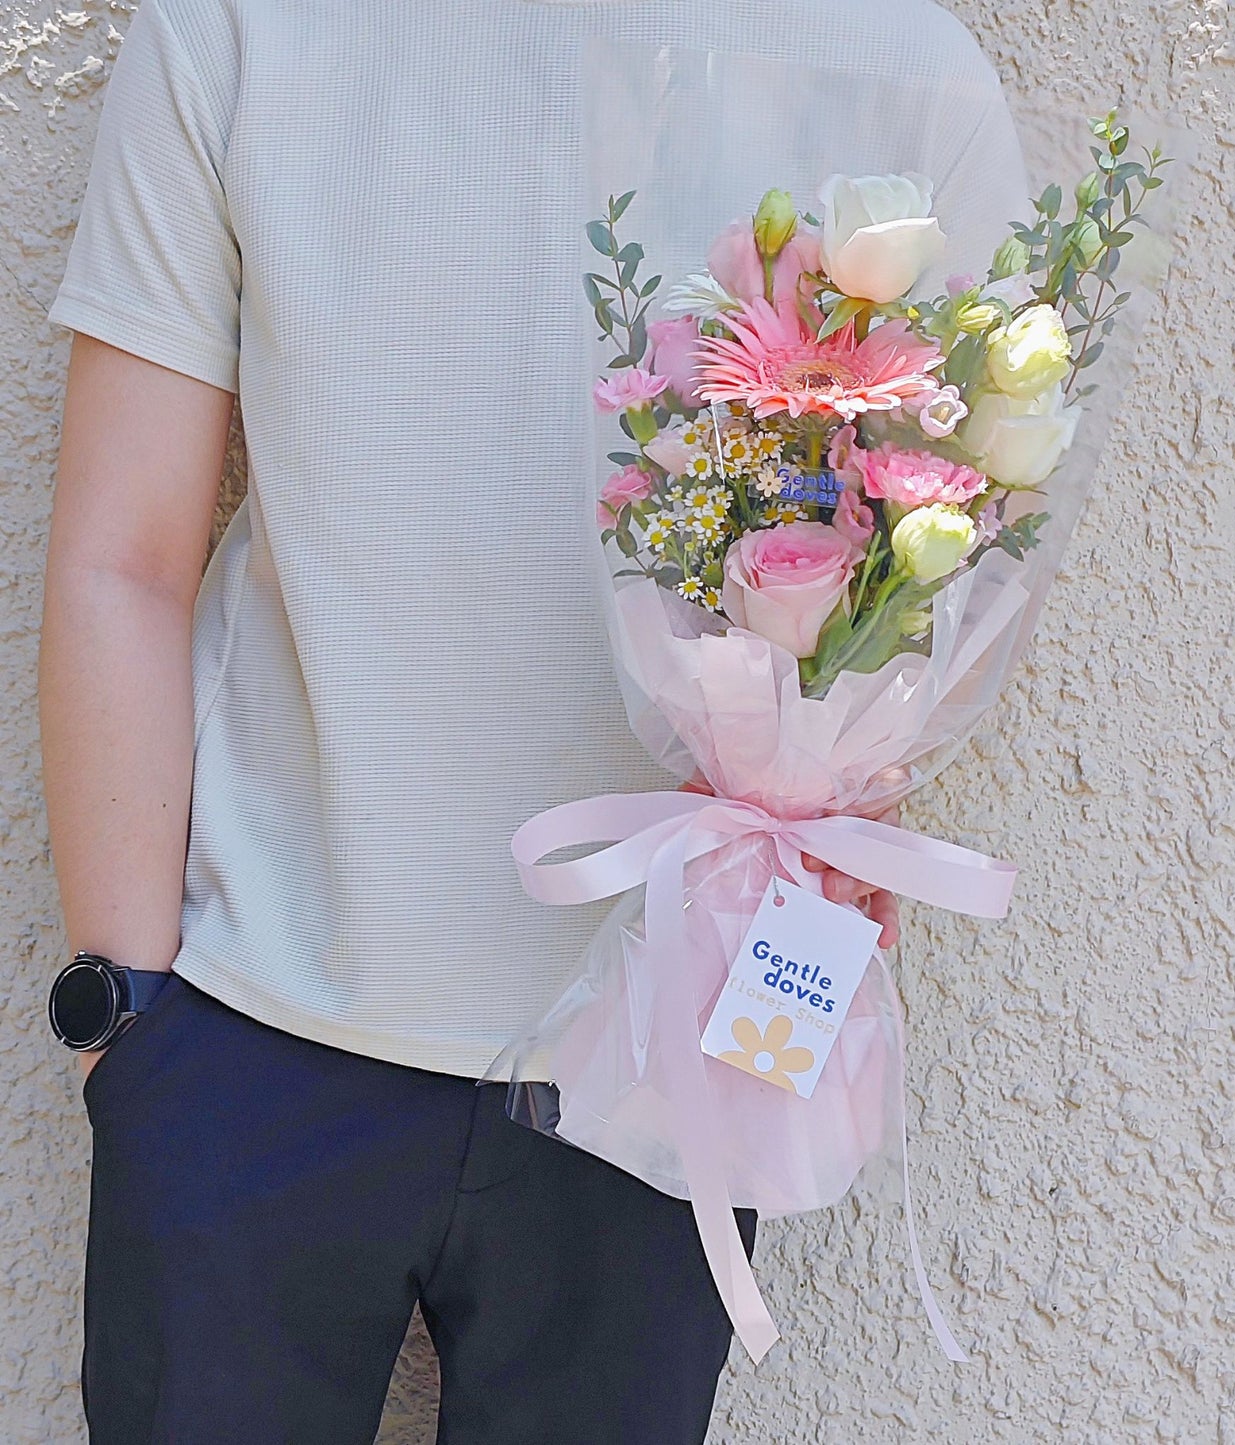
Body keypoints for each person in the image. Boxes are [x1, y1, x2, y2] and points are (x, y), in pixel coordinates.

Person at [37, 0, 1027, 1438]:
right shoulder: (244, 29)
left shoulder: (902, 75)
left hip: (663, 1072)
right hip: (247, 1038)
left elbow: (942, 572)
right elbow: (121, 553)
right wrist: (125, 1025)